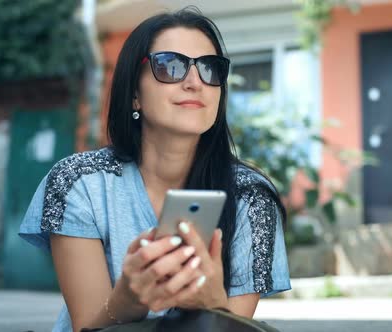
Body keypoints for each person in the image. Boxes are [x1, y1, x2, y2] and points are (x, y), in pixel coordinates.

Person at [19, 7, 290, 332]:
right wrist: (128, 299)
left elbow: (233, 325)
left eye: (210, 69)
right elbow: (86, 326)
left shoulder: (251, 197)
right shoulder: (79, 183)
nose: (194, 82)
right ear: (135, 94)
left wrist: (213, 302)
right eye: (170, 66)